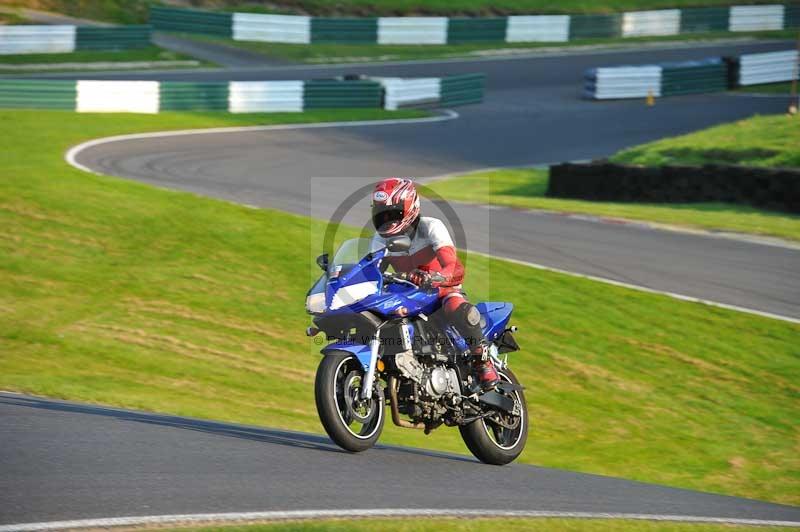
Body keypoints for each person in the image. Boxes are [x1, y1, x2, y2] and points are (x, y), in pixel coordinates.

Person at [370, 177, 499, 391]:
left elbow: (454, 266)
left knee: (456, 305)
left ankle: (481, 361)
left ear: (410, 207)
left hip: (439, 292)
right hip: (406, 296)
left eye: (393, 214)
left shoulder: (431, 227)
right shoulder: (380, 239)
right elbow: (370, 272)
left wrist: (435, 277)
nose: (388, 221)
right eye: (382, 215)